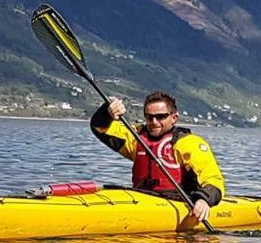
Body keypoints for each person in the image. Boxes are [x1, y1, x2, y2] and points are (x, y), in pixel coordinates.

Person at [90, 91, 224, 221]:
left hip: (177, 201)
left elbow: (213, 180)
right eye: (149, 117)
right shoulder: (136, 137)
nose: (154, 122)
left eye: (160, 116)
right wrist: (106, 112)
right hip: (141, 199)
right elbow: (100, 128)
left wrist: (204, 200)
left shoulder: (189, 144)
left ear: (174, 118)